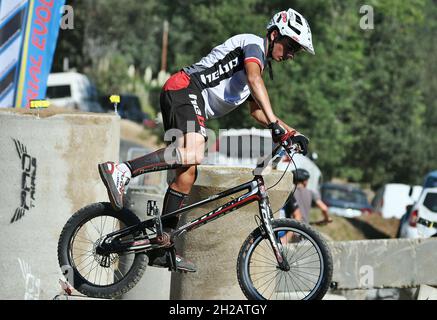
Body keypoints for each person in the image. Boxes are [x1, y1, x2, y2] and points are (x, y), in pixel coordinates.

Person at [98, 8, 314, 272]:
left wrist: (291, 132)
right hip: (185, 88)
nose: (291, 54)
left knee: (187, 174)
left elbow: (257, 111)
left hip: (188, 98)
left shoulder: (257, 68)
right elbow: (255, 80)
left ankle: (161, 245)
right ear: (273, 35)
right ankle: (121, 170)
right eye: (290, 45)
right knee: (193, 151)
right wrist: (273, 124)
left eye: (296, 51)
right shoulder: (253, 47)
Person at [280, 168, 332, 243]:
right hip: (305, 231)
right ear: (305, 181)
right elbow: (324, 208)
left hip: (290, 231)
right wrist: (326, 219)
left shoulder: (289, 192)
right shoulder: (311, 193)